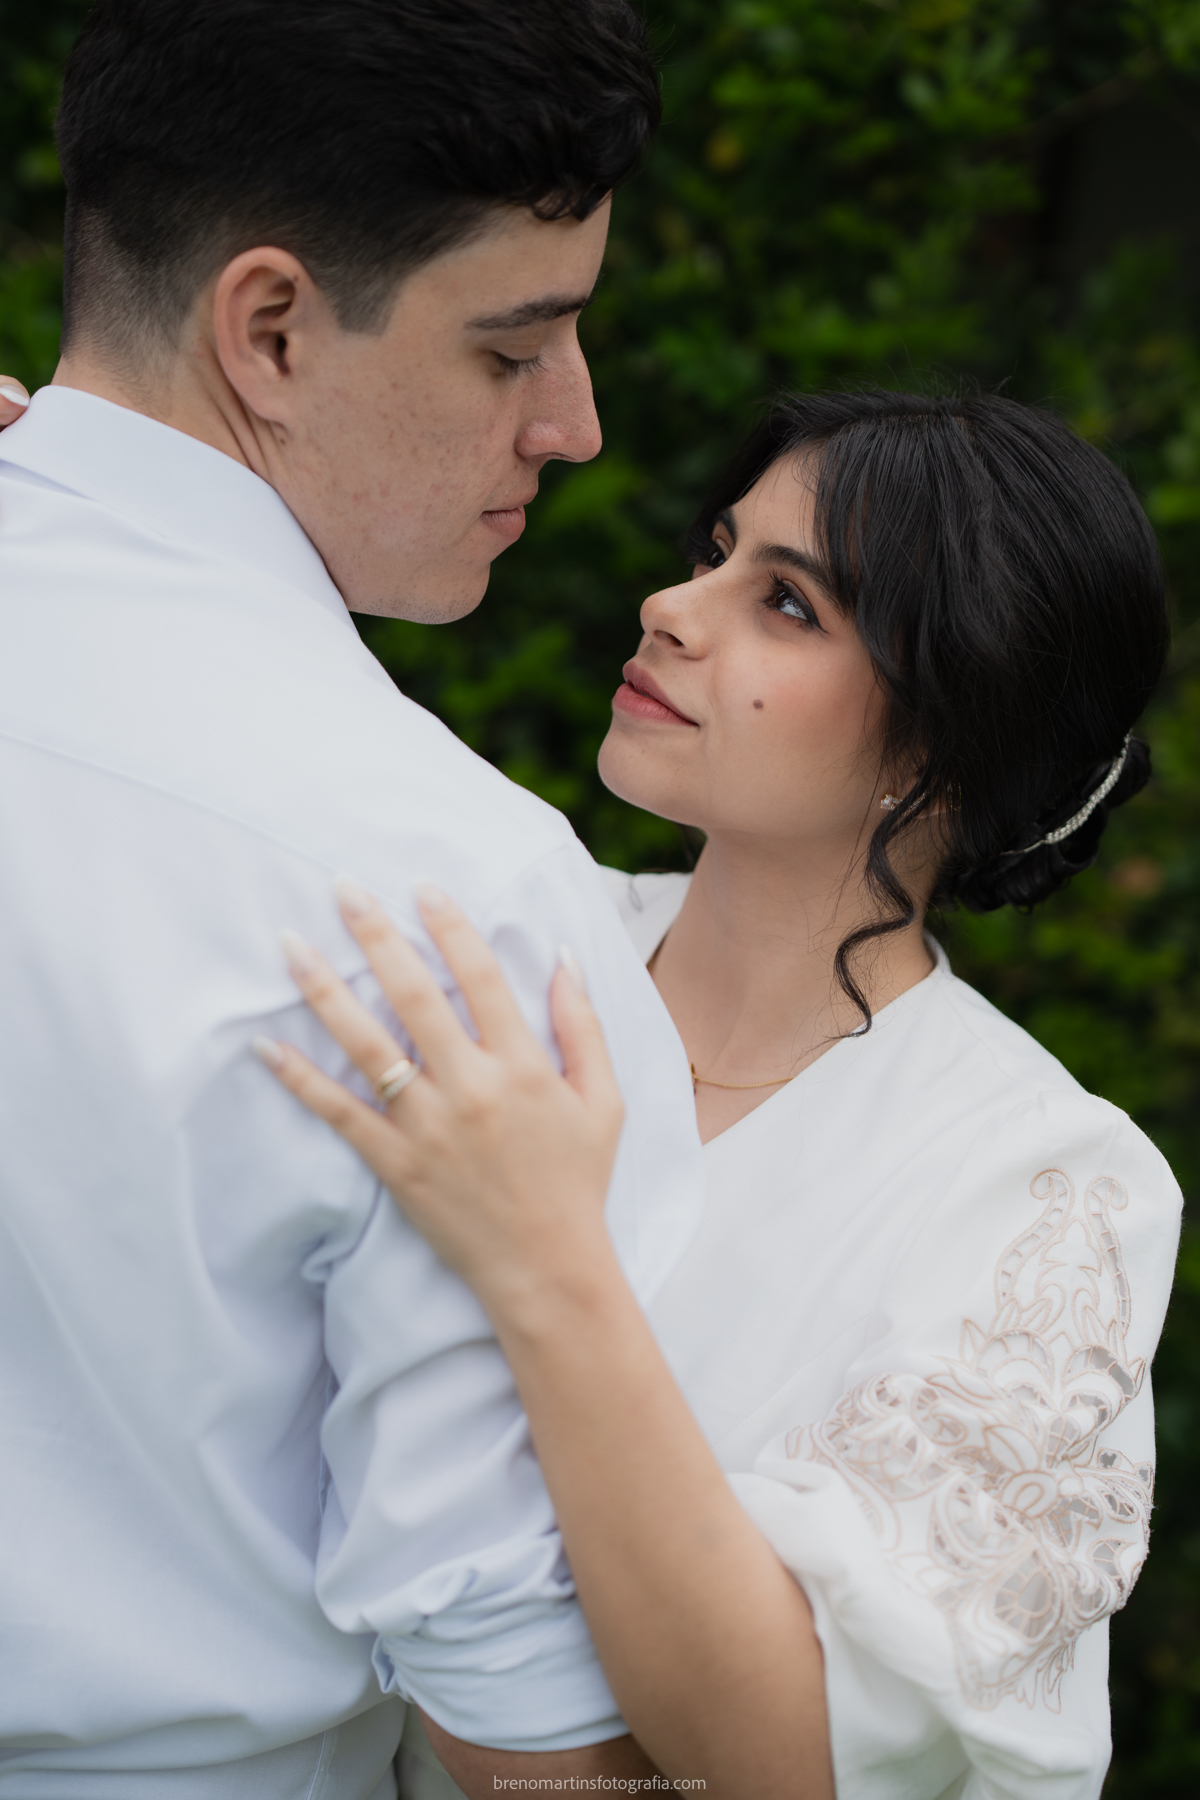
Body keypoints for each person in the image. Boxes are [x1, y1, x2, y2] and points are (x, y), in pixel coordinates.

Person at [264, 391, 1184, 1800]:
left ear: (949, 741)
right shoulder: (507, 933)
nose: (672, 606)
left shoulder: (1045, 1183)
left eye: (789, 606)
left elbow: (789, 1757)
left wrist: (550, 1266)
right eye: (715, 550)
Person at [0, 4, 709, 1797]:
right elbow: (522, 1724)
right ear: (272, 329)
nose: (578, 427)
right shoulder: (450, 898)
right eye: (515, 347)